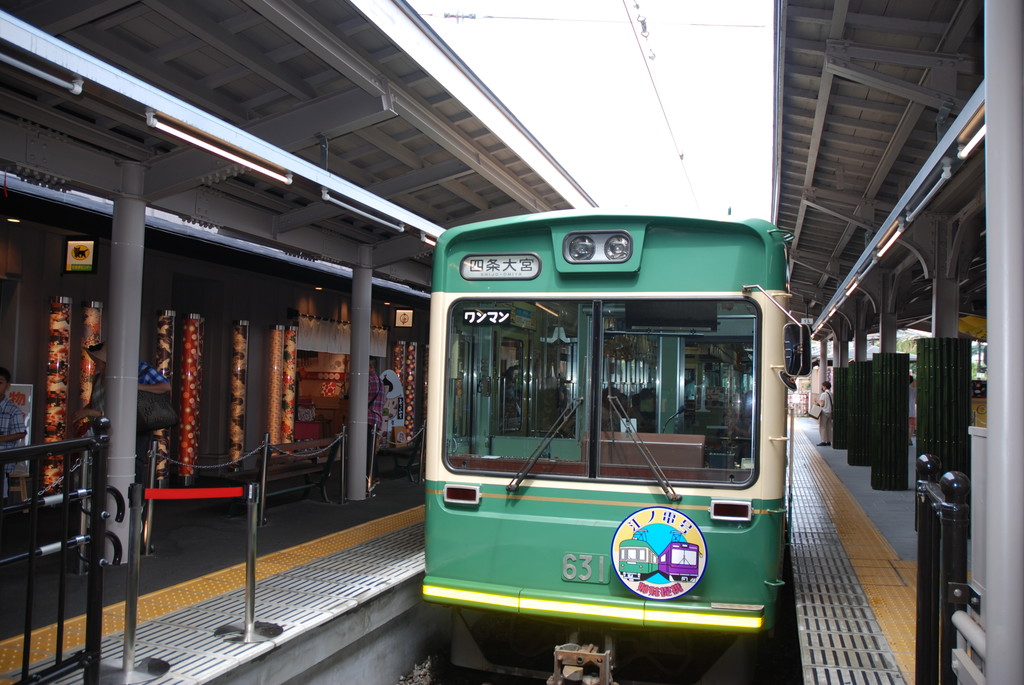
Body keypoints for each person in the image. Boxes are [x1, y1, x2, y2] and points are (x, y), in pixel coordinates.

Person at [74, 342, 171, 483]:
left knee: (134, 460)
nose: (95, 363)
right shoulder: (98, 378)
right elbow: (98, 401)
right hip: (105, 428)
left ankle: (134, 500)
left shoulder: (137, 369)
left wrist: (137, 386)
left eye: (97, 360)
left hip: (134, 425)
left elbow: (166, 386)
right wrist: (85, 411)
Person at [0, 367, 28, 502]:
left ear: (7, 385)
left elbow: (21, 433)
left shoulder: (12, 410)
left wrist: (2, 439)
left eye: (0, 382)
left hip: (3, 459)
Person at [366, 358, 384, 493]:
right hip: (377, 419)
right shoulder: (380, 381)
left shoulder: (368, 380)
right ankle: (374, 475)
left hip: (367, 418)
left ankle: (369, 476)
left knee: (366, 450)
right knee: (372, 450)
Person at [816, 380, 833, 447]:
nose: (822, 387)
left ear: (825, 387)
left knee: (823, 427)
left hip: (824, 412)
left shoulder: (824, 394)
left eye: (823, 386)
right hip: (830, 412)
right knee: (829, 427)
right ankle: (829, 441)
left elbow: (822, 404)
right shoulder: (831, 394)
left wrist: (817, 402)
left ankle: (823, 441)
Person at [908, 374, 917, 445]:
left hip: (908, 411)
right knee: (912, 425)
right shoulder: (914, 389)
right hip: (911, 411)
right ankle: (909, 438)